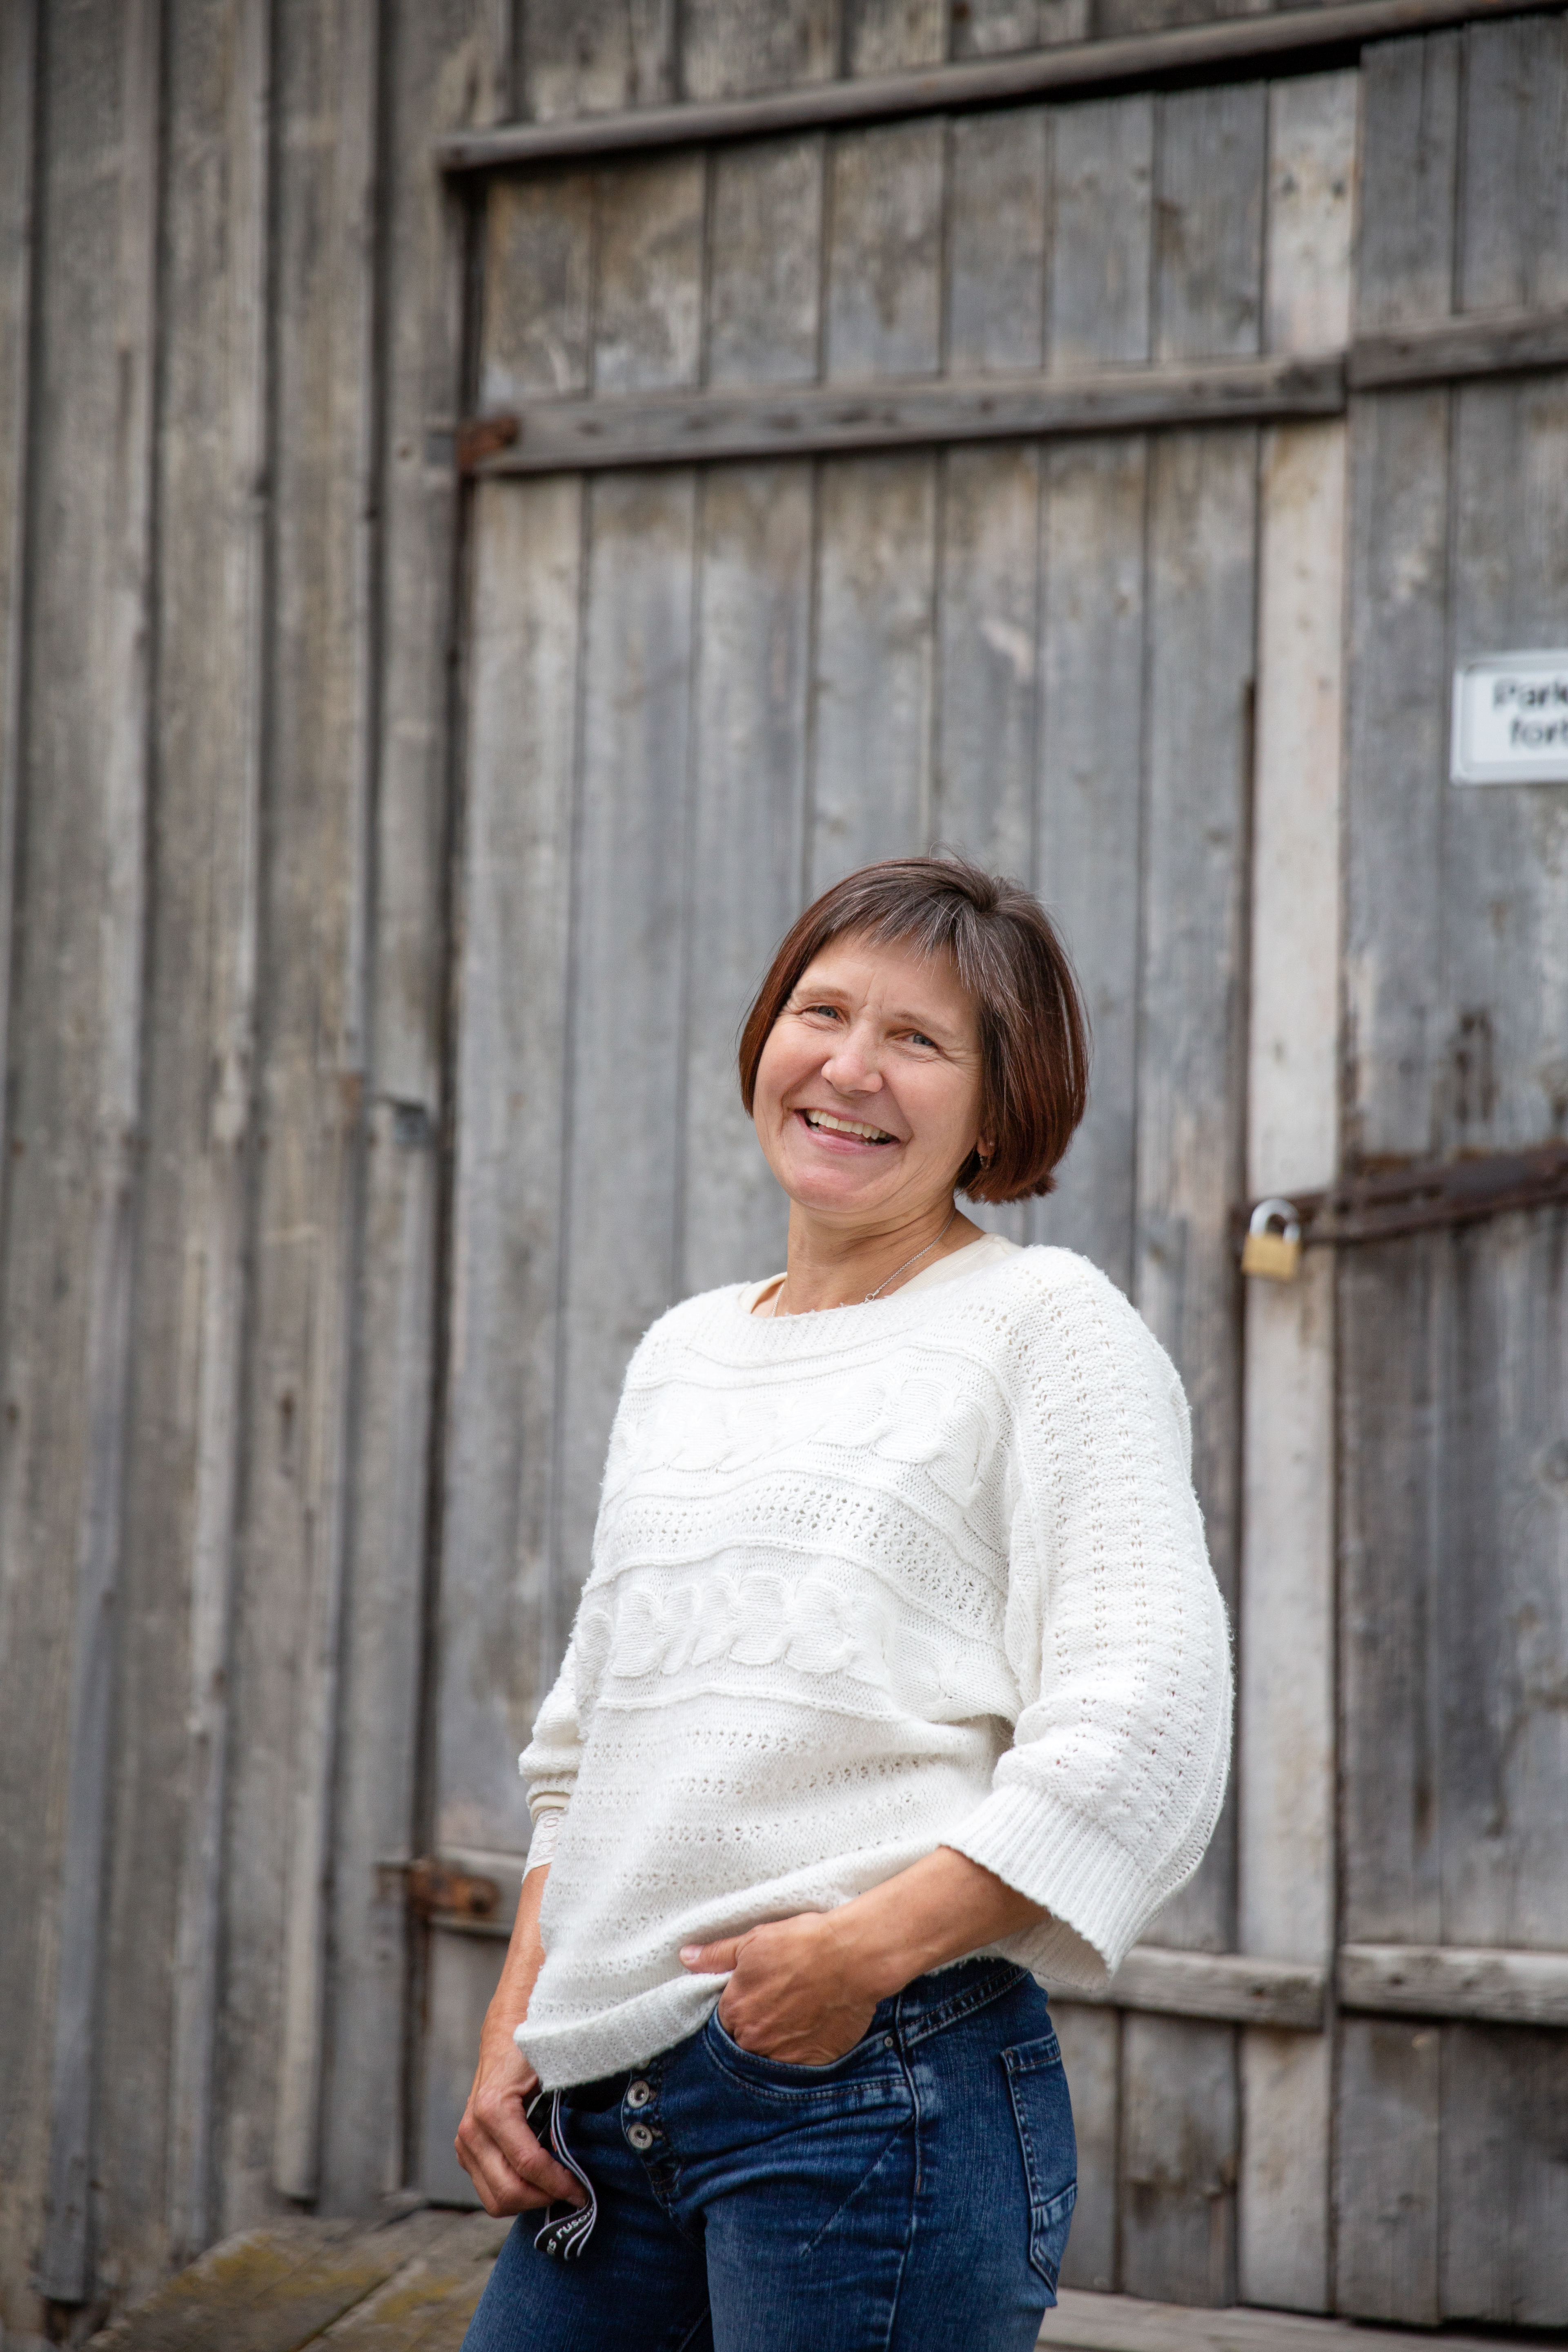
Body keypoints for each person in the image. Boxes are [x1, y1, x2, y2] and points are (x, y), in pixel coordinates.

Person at [457, 854, 1232, 2352]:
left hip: (874, 2086)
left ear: (999, 1109)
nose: (850, 1070)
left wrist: (855, 1958)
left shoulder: (1044, 1327)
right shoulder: (683, 1352)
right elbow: (588, 1758)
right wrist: (515, 2030)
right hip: (598, 2118)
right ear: (765, 1038)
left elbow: (1145, 1724)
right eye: (821, 1012)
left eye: (921, 1042)